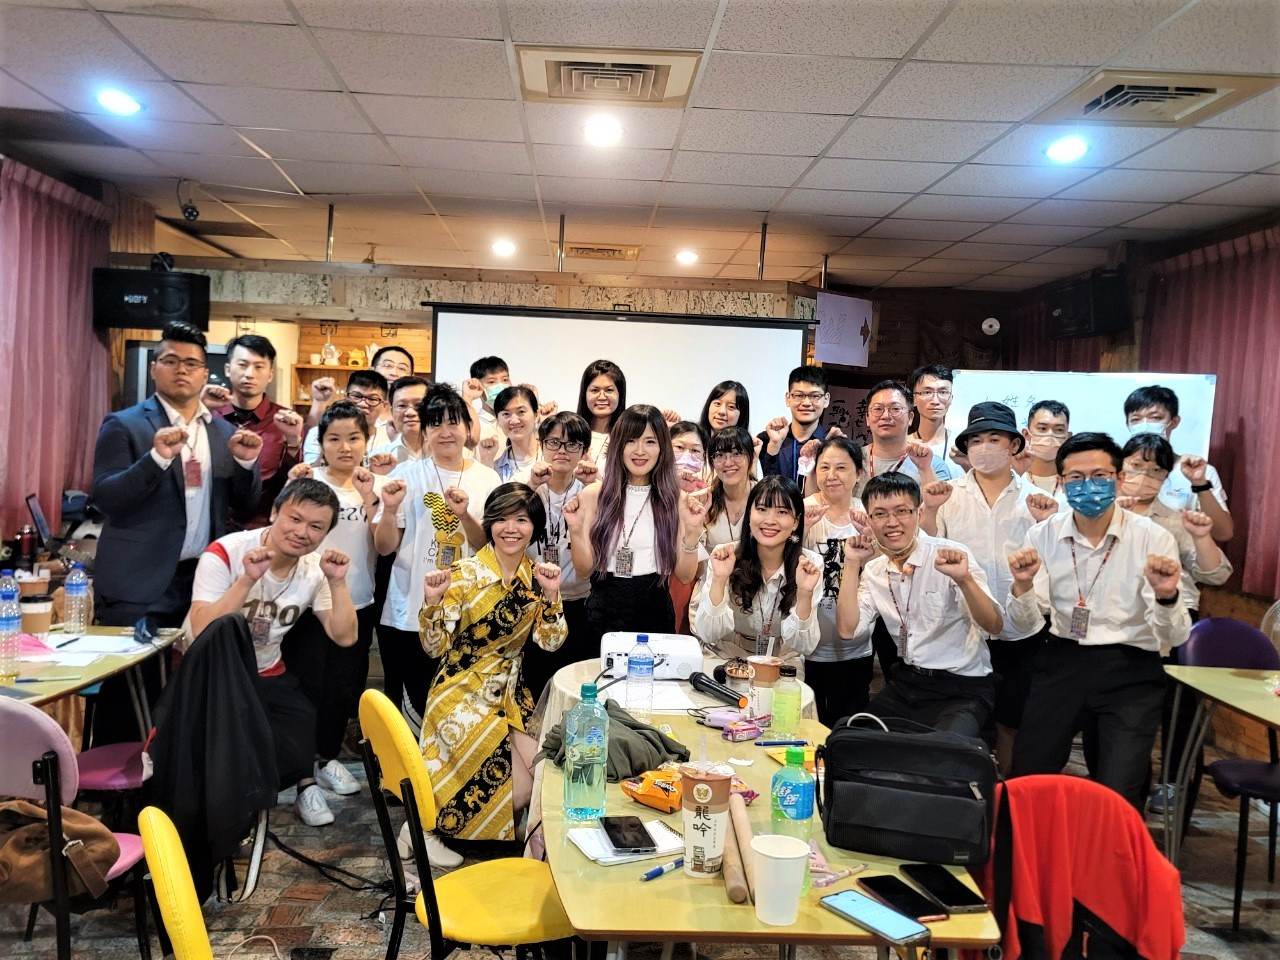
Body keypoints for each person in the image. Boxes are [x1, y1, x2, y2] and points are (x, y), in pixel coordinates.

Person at [1004, 433, 1190, 809]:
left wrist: (1166, 595)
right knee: (1028, 774)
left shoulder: (1152, 538)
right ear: (1061, 482)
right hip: (1063, 660)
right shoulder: (1043, 535)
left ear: (1119, 479)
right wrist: (1021, 587)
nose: (1088, 485)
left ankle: (1115, 848)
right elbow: (1024, 625)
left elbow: (1175, 635)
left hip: (1131, 667)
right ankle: (1020, 845)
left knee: (1120, 790)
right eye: (1075, 477)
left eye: (1100, 475)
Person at [186, 478, 358, 827]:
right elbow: (202, 629)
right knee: (224, 751)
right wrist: (247, 580)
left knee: (301, 721)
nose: (302, 532)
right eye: (295, 519)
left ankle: (298, 788)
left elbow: (345, 636)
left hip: (266, 669)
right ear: (274, 512)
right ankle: (226, 814)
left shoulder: (315, 571)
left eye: (316, 527)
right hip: (213, 671)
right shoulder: (225, 552)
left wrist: (338, 582)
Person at [416, 484, 566, 865]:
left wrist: (552, 595)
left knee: (543, 774)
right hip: (460, 693)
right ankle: (422, 829)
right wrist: (432, 603)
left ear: (534, 527)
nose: (510, 528)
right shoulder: (462, 574)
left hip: (509, 693)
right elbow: (434, 648)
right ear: (489, 524)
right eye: (501, 519)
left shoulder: (536, 577)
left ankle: (522, 835)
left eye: (522, 520)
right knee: (518, 787)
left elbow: (550, 642)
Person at [93, 320, 263, 629]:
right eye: (170, 361)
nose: (181, 369)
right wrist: (156, 459)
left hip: (203, 580)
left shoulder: (224, 432)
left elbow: (245, 506)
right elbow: (107, 499)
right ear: (153, 369)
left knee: (196, 661)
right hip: (138, 583)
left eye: (191, 363)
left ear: (204, 374)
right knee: (135, 663)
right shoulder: (123, 424)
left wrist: (245, 464)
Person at [919, 402, 1059, 769]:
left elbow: (1054, 563)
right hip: (963, 626)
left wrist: (1045, 523)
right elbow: (930, 551)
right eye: (976, 440)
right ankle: (966, 789)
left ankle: (1006, 793)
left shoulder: (1039, 500)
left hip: (1022, 627)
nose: (984, 447)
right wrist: (929, 511)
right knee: (964, 721)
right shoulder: (947, 494)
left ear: (1014, 445)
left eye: (994, 438)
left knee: (1013, 721)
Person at [837, 473, 1004, 740]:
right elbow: (847, 630)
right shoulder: (875, 570)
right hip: (908, 682)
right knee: (849, 739)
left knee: (940, 753)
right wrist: (851, 563)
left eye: (901, 511)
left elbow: (993, 625)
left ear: (919, 513)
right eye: (880, 514)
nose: (892, 522)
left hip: (963, 687)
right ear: (869, 520)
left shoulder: (950, 555)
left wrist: (964, 580)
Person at [1115, 433, 1232, 813]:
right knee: (1122, 708)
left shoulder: (1175, 521)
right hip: (1117, 621)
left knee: (1176, 707)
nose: (1144, 476)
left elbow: (1216, 575)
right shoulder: (1100, 514)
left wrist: (1202, 537)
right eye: (1136, 466)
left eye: (1155, 471)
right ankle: (1127, 783)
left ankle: (1173, 783)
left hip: (1171, 618)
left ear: (1166, 478)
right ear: (1119, 469)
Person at [374, 385, 501, 732]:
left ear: (468, 428)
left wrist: (464, 515)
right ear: (425, 430)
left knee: (457, 701)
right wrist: (389, 510)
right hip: (411, 609)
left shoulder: (487, 478)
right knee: (411, 702)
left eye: (453, 422)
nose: (445, 432)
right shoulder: (405, 476)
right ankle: (405, 767)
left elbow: (487, 546)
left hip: (467, 609)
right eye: (435, 423)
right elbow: (384, 548)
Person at [287, 402, 387, 801]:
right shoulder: (307, 482)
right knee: (306, 689)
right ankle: (303, 778)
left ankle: (326, 759)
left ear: (367, 440)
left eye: (353, 438)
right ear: (321, 442)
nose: (345, 447)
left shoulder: (376, 485)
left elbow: (385, 545)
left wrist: (372, 498)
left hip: (357, 601)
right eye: (334, 439)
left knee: (343, 690)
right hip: (309, 605)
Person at [563, 405, 705, 646]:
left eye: (650, 441)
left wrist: (691, 535)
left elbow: (684, 575)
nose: (640, 451)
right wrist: (576, 531)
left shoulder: (676, 500)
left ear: (662, 447)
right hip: (603, 613)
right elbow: (584, 571)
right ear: (618, 445)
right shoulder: (594, 495)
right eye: (631, 440)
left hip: (655, 613)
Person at [695, 476, 823, 676]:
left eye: (782, 512)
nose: (770, 520)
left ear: (796, 521)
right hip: (727, 656)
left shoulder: (809, 564)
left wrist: (805, 593)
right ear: (749, 515)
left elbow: (804, 646)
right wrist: (720, 579)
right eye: (762, 509)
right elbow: (708, 634)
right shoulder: (726, 556)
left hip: (782, 660)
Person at [520, 413, 597, 701]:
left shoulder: (589, 490)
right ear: (540, 445)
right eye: (554, 442)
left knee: (572, 685)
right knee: (533, 682)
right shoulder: (526, 482)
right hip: (531, 601)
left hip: (578, 601)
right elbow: (503, 523)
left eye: (572, 444)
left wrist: (595, 483)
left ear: (584, 450)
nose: (562, 450)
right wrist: (530, 485)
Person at [802, 437, 873, 724]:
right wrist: (801, 529)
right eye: (824, 467)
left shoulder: (869, 514)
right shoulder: (802, 510)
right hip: (808, 647)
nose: (831, 475)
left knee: (850, 727)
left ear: (858, 474)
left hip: (856, 646)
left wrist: (872, 540)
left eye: (841, 467)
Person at [207, 333, 305, 530]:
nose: (250, 374)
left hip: (260, 530)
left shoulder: (285, 421)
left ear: (270, 375)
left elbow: (291, 483)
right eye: (242, 365)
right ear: (228, 369)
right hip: (210, 528)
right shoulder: (209, 416)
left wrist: (293, 440)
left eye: (259, 367)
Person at [1123, 385, 1232, 540]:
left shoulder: (1199, 472)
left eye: (1155, 418)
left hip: (1177, 552)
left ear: (1174, 421)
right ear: (1128, 424)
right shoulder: (1113, 468)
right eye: (1136, 419)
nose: (1145, 425)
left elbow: (1223, 533)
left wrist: (1200, 484)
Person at [857, 379, 954, 495]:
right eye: (878, 409)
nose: (886, 416)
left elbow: (941, 504)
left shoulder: (932, 465)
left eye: (895, 409)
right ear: (867, 418)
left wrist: (925, 469)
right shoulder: (853, 460)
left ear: (910, 418)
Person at [758, 365, 830, 483]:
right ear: (788, 398)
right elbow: (761, 486)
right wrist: (774, 446)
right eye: (799, 395)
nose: (806, 403)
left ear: (826, 400)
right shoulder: (766, 440)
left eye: (814, 396)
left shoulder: (830, 443)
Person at [301, 369, 389, 464]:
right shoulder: (318, 433)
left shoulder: (389, 439)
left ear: (384, 406)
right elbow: (311, 471)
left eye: (372, 399)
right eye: (356, 396)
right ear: (345, 398)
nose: (363, 404)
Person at [907, 364, 965, 472]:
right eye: (927, 392)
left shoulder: (961, 446)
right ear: (914, 399)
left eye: (943, 392)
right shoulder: (903, 446)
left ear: (951, 398)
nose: (935, 401)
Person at [479, 385, 540, 483]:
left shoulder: (552, 456)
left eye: (521, 412)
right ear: (498, 420)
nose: (514, 421)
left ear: (536, 415)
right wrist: (486, 460)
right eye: (506, 414)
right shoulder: (496, 469)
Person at [369, 375, 430, 467]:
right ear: (392, 411)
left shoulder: (449, 453)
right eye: (402, 405)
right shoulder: (378, 458)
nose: (410, 412)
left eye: (419, 405)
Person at [576, 359, 626, 462]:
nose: (602, 397)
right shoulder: (571, 435)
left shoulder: (628, 438)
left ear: (620, 394)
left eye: (609, 390)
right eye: (595, 390)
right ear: (584, 394)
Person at [1022, 400, 1072, 495]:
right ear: (1026, 435)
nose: (1050, 436)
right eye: (1042, 428)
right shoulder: (1013, 478)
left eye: (1059, 430)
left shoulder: (1077, 481)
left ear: (1068, 437)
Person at [462, 355, 511, 448]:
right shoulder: (476, 424)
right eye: (491, 382)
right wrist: (467, 397)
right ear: (478, 386)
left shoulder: (518, 421)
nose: (501, 386)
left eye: (505, 380)